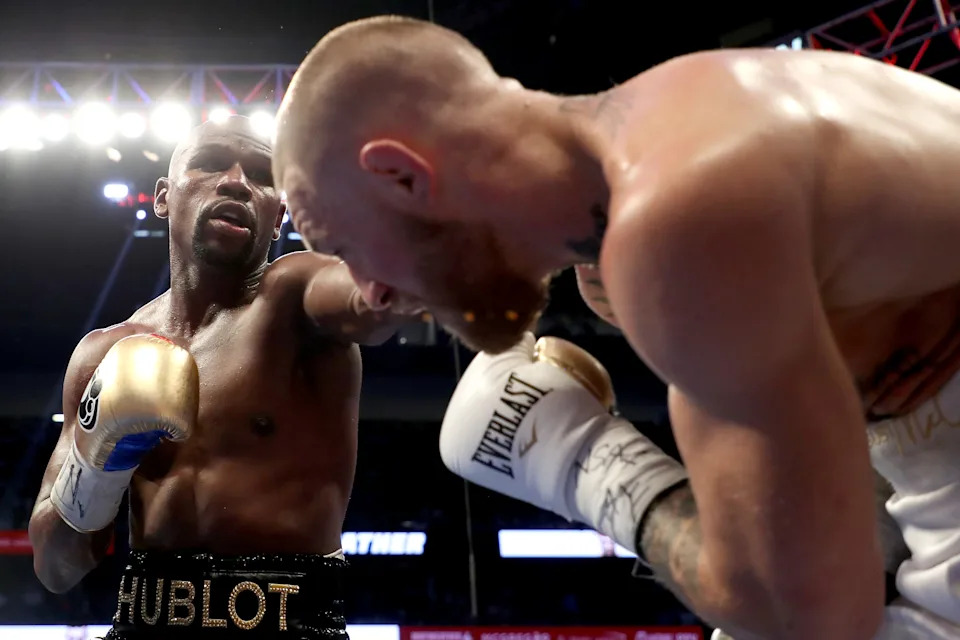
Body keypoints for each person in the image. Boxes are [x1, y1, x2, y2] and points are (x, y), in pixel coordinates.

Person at [272, 15, 960, 640]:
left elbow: (809, 621)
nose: (370, 291)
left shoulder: (674, 220)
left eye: (347, 249)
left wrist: (586, 461)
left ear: (400, 176)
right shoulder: (679, 117)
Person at [29, 115, 404, 639]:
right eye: (209, 164)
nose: (235, 182)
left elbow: (375, 304)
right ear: (163, 197)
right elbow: (56, 567)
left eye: (260, 173)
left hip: (289, 626)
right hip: (142, 624)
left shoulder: (295, 298)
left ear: (278, 218)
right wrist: (94, 469)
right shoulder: (105, 352)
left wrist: (410, 221)